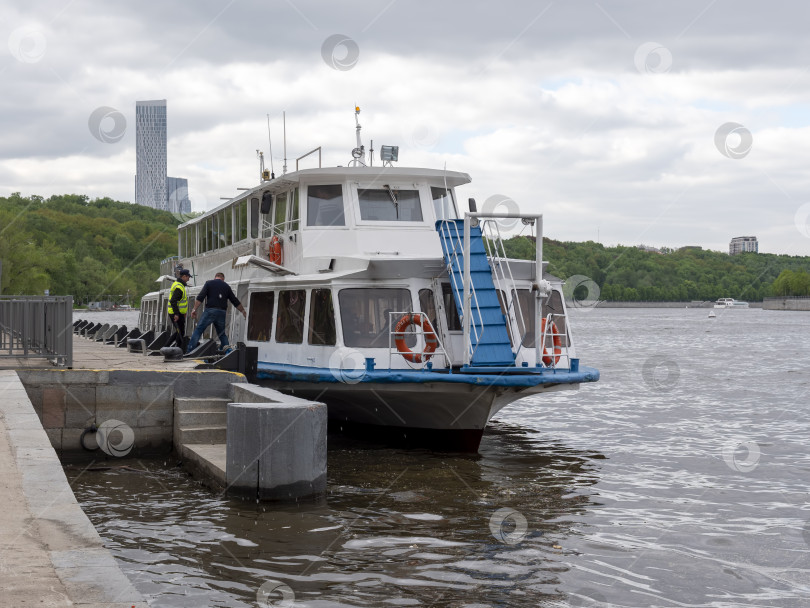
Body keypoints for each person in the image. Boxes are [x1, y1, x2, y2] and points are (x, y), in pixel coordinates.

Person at [186, 272, 247, 353]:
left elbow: (200, 297)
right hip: (222, 312)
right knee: (221, 334)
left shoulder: (209, 283)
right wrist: (243, 311)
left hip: (210, 311)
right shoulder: (226, 286)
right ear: (223, 279)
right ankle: (227, 352)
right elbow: (234, 300)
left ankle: (190, 351)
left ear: (215, 277)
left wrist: (194, 309)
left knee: (199, 330)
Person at [167, 269, 191, 351]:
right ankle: (177, 349)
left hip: (177, 313)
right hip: (175, 313)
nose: (189, 279)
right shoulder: (179, 287)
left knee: (179, 331)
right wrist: (177, 314)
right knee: (180, 332)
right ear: (184, 276)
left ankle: (171, 348)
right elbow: (173, 301)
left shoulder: (178, 285)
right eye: (188, 277)